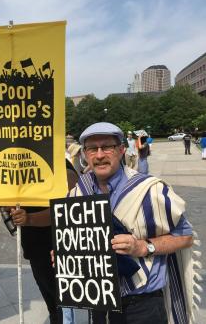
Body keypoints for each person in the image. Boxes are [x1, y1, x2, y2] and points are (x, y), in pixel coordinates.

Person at [66, 122, 195, 324]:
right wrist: (66, 251)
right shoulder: (78, 192)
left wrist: (143, 246)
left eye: (107, 147)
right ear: (84, 154)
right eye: (92, 148)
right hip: (98, 301)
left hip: (142, 305)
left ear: (121, 150)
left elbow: (186, 237)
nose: (99, 155)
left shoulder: (150, 190)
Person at [10, 160, 78, 324]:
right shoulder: (19, 165)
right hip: (34, 247)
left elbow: (68, 208)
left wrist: (29, 219)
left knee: (62, 305)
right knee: (53, 304)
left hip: (57, 248)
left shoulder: (61, 165)